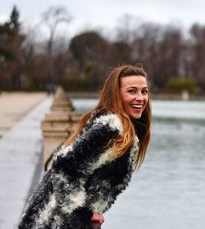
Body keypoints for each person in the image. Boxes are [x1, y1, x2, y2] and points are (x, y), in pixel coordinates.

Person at [19, 65, 152, 228]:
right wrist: (83, 214)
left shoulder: (121, 128)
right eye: (132, 91)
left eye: (144, 91)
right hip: (53, 222)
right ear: (116, 94)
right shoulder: (111, 128)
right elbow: (64, 167)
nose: (140, 98)